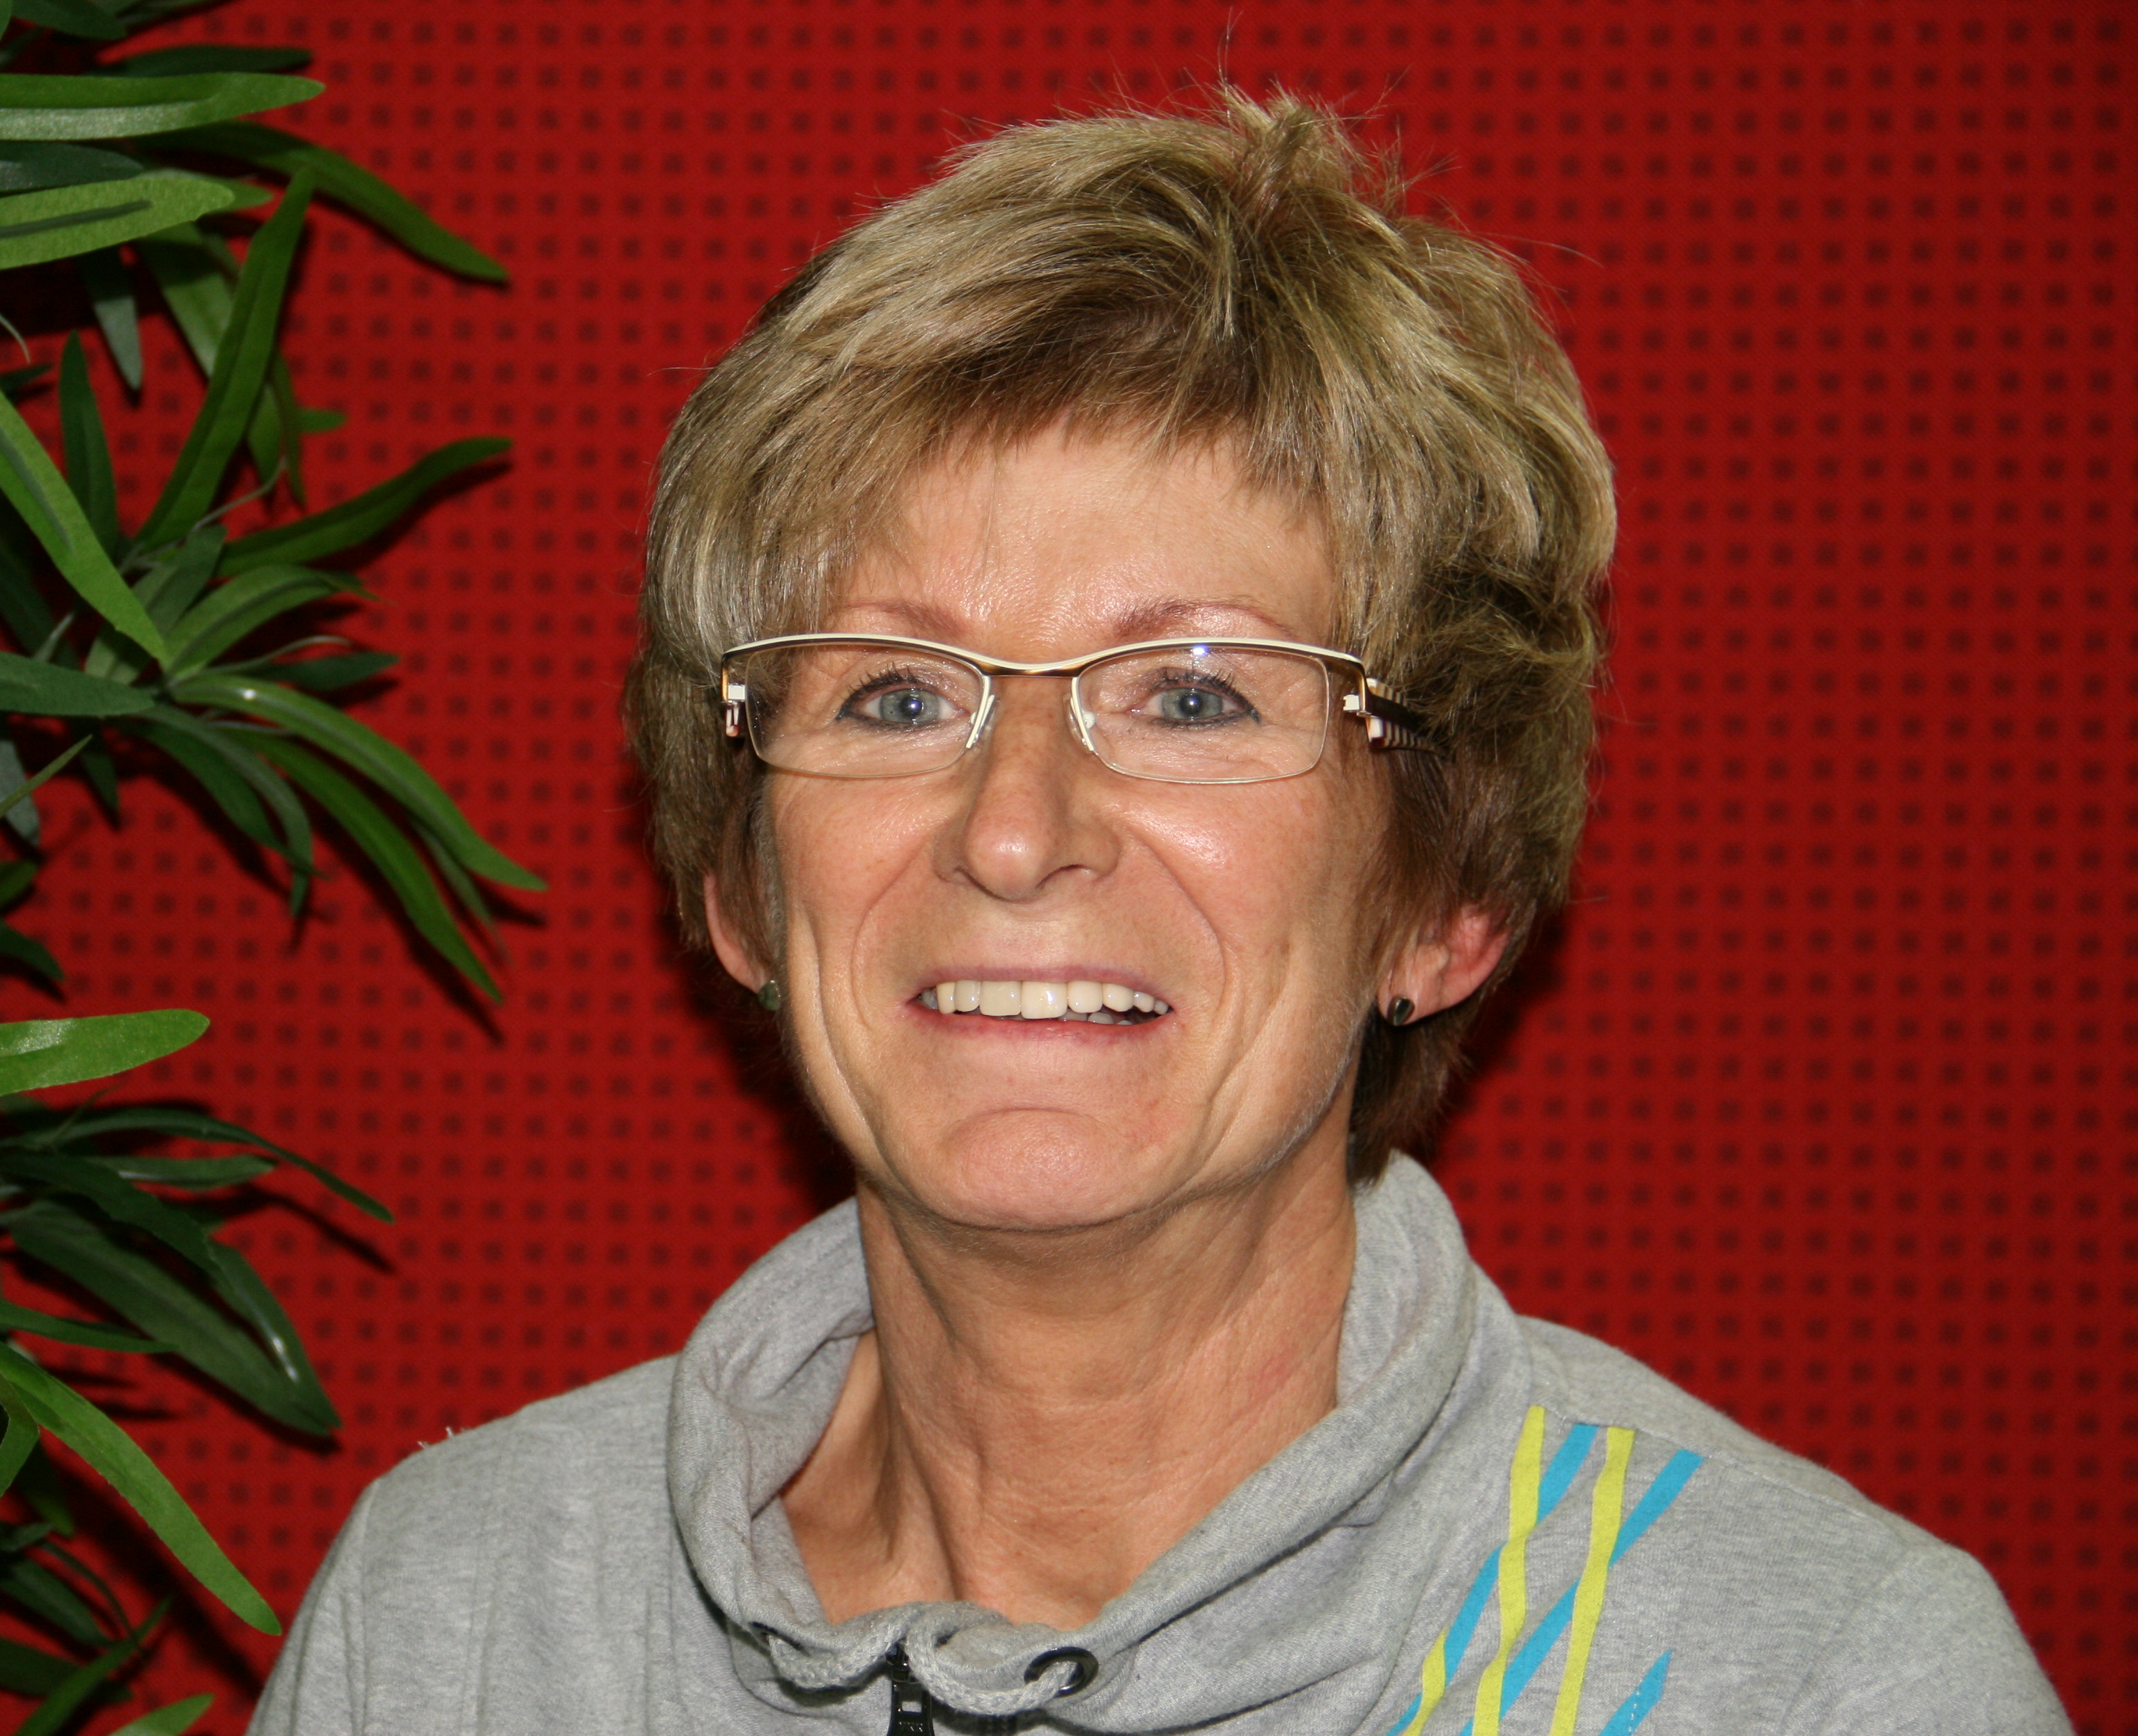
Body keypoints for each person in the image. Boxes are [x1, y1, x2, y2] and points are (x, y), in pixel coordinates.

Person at [249, 96, 2064, 1734]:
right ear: (738, 883)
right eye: (896, 694)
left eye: (1195, 696)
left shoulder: (1828, 1682)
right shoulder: (453, 1623)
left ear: (1441, 900)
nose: (1014, 831)